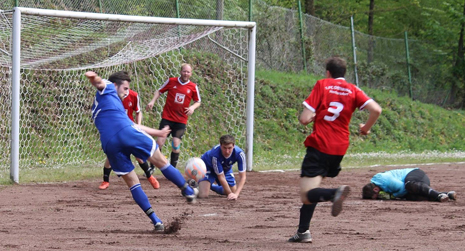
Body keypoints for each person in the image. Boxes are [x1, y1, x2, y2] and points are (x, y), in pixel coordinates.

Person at [85, 71, 198, 232]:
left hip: (110, 143)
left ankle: (156, 221)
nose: (126, 91)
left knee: (133, 183)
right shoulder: (109, 87)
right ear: (116, 85)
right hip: (126, 132)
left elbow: (133, 124)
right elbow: (99, 83)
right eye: (125, 88)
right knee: (161, 162)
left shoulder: (106, 104)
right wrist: (93, 77)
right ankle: (187, 190)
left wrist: (157, 133)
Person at [288, 57, 382, 243]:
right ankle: (303, 232)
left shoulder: (322, 85)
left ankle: (334, 194)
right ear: (343, 73)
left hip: (320, 145)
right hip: (339, 149)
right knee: (312, 188)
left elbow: (304, 119)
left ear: (328, 72)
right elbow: (376, 110)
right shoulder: (353, 89)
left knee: (307, 194)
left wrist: (312, 115)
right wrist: (365, 128)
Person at [99, 86, 160, 190]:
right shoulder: (111, 97)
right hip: (116, 131)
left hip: (129, 130)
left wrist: (138, 125)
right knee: (110, 157)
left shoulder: (133, 95)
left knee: (139, 156)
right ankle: (105, 181)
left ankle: (150, 177)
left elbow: (138, 111)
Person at [145, 63, 201, 168]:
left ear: (191, 73)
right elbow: (159, 91)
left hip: (181, 120)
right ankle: (152, 167)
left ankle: (172, 169)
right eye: (184, 71)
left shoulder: (193, 87)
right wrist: (152, 101)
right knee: (160, 142)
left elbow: (198, 101)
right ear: (180, 71)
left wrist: (192, 108)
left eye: (188, 72)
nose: (186, 73)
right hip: (167, 118)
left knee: (176, 145)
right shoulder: (171, 81)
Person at [362, 168, 457, 202]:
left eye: (375, 196)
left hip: (416, 174)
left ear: (375, 190)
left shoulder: (385, 181)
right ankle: (447, 195)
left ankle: (438, 195)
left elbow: (403, 188)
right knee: (412, 196)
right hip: (415, 181)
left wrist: (392, 196)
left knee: (409, 185)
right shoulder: (377, 183)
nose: (378, 197)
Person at [197, 135, 246, 200]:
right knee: (203, 195)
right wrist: (229, 194)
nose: (227, 151)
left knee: (233, 191)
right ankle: (192, 186)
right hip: (208, 167)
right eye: (224, 148)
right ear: (220, 145)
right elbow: (221, 176)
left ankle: (211, 186)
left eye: (229, 148)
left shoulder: (239, 154)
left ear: (233, 146)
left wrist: (236, 194)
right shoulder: (215, 154)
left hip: (225, 168)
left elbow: (243, 177)